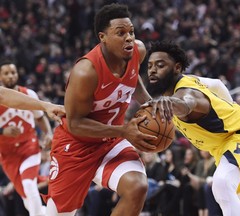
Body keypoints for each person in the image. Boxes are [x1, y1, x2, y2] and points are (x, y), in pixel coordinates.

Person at [43, 4, 159, 215]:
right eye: (121, 33)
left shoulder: (137, 51)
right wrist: (123, 131)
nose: (129, 38)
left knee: (138, 187)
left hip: (110, 141)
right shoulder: (85, 72)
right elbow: (76, 124)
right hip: (76, 146)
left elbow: (133, 81)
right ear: (102, 37)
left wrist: (151, 104)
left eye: (131, 31)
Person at [144, 41, 240, 216]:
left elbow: (186, 103)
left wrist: (173, 103)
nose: (153, 70)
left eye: (160, 65)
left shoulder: (187, 93)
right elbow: (217, 84)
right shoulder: (186, 81)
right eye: (150, 66)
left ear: (176, 68)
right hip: (221, 145)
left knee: (221, 183)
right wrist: (230, 106)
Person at [0, 61, 64, 216]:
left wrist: (48, 133)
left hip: (29, 147)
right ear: (0, 76)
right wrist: (2, 130)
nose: (10, 76)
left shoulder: (29, 95)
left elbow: (40, 118)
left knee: (29, 185)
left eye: (13, 72)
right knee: (28, 199)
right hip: (7, 154)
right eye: (6, 73)